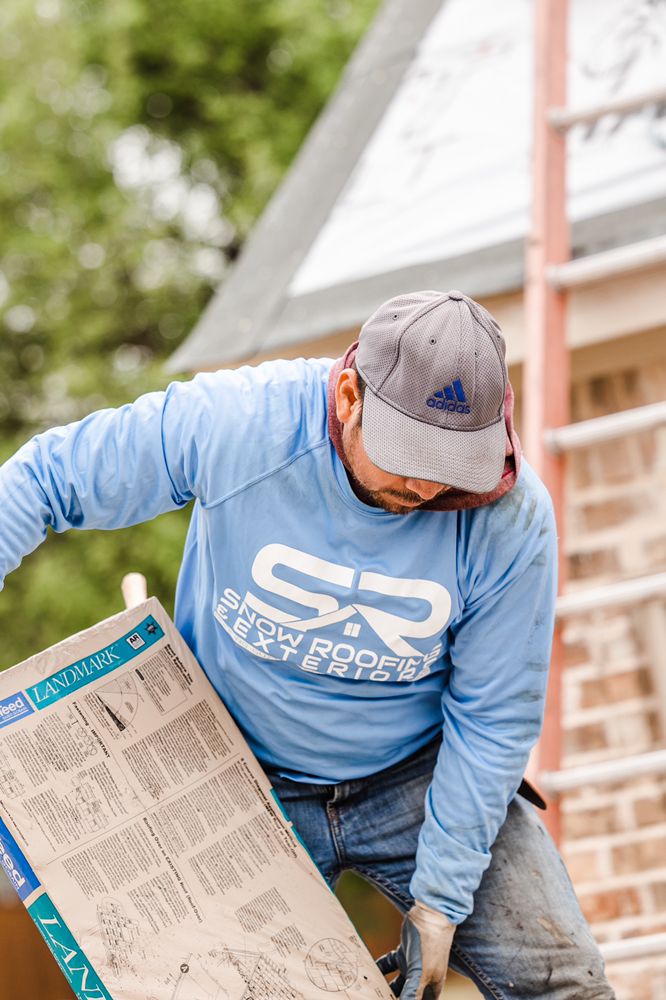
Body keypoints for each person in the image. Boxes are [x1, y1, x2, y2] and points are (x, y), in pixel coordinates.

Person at [0, 290, 614, 999]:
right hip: (241, 771)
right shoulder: (238, 424)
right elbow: (45, 481)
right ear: (349, 394)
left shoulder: (511, 520)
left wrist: (442, 903)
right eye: (409, 454)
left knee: (564, 979)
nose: (426, 484)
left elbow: (494, 718)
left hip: (417, 774)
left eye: (452, 464)